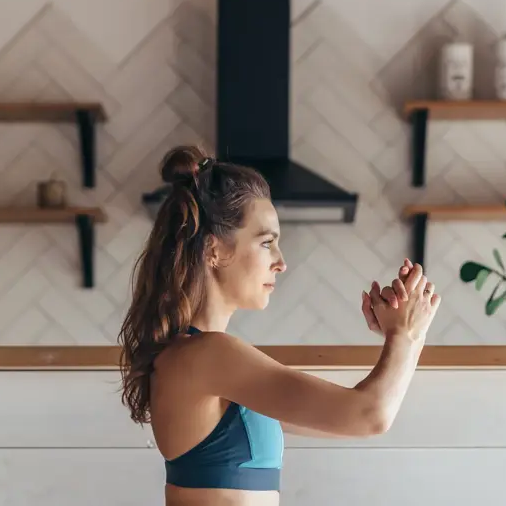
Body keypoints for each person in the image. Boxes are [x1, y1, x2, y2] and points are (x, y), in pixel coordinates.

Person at [117, 146, 441, 506]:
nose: (281, 262)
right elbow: (370, 415)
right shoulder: (208, 355)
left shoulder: (202, 357)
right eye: (267, 243)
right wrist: (405, 333)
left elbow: (353, 416)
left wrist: (409, 334)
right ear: (214, 251)